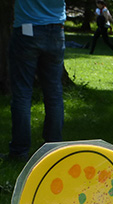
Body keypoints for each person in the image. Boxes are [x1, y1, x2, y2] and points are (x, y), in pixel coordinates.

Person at [1, 0, 66, 162]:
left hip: (27, 30)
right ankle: (53, 150)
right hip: (56, 31)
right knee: (54, 94)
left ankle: (19, 151)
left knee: (22, 94)